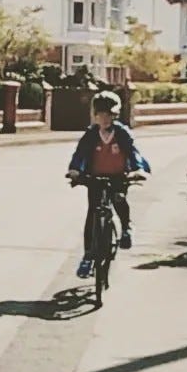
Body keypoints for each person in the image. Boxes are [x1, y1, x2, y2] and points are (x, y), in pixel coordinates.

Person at [66, 90, 150, 280]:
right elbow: (79, 155)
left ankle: (127, 227)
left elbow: (133, 152)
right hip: (94, 177)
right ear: (95, 115)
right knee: (92, 215)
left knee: (119, 199)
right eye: (100, 115)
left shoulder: (121, 133)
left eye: (108, 115)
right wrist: (75, 170)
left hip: (118, 177)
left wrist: (137, 170)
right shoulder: (91, 134)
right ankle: (88, 256)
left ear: (115, 115)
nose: (104, 119)